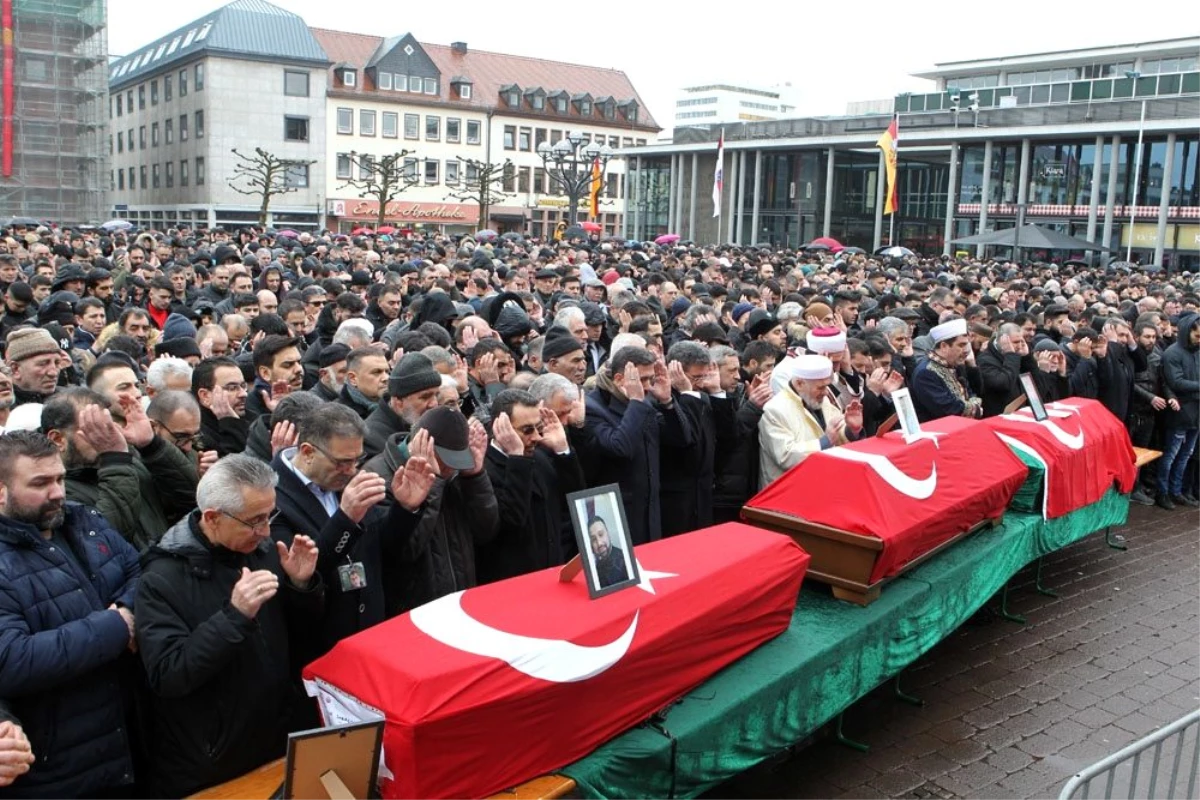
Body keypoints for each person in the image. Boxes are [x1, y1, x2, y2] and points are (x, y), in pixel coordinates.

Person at [135, 455, 322, 799]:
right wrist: (234, 616)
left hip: (277, 738)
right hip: (215, 763)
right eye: (254, 521)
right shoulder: (160, 579)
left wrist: (301, 585)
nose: (266, 531)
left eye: (269, 516)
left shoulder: (261, 550)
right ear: (213, 518)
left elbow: (297, 637)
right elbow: (169, 675)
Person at [0, 431, 141, 798]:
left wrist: (127, 607)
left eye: (60, 478)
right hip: (59, 769)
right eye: (40, 483)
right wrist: (116, 626)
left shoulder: (83, 520)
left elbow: (142, 573)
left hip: (127, 741)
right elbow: (12, 658)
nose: (58, 492)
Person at [269, 405, 436, 655]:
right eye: (343, 462)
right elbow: (303, 576)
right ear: (307, 452)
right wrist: (345, 519)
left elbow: (385, 550)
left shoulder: (345, 480)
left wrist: (405, 509)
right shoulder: (271, 496)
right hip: (322, 645)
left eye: (357, 460)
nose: (352, 470)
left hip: (371, 634)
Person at [363, 405, 498, 614]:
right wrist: (432, 486)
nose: (453, 469)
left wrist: (475, 477)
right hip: (415, 611)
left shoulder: (456, 472)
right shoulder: (379, 475)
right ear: (423, 445)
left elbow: (486, 531)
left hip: (462, 601)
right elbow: (406, 550)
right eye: (448, 460)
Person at [43, 388, 198, 551]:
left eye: (108, 425)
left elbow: (189, 498)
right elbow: (105, 539)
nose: (108, 434)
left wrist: (151, 445)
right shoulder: (56, 490)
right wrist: (115, 459)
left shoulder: (129, 461)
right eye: (94, 427)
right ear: (58, 439)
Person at [479, 389, 586, 582]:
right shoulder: (484, 468)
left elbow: (575, 498)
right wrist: (516, 457)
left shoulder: (540, 456)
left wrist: (563, 450)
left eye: (538, 428)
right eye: (527, 430)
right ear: (501, 428)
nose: (536, 437)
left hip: (552, 571)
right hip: (514, 582)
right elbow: (512, 522)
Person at [758, 354, 864, 487]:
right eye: (820, 387)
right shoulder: (774, 410)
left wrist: (852, 430)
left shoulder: (821, 400)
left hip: (821, 483)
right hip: (787, 492)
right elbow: (785, 456)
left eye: (827, 386)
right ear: (799, 383)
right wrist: (824, 442)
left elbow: (836, 432)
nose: (826, 393)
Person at [362, 352, 443, 459]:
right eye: (425, 397)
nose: (434, 404)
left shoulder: (432, 422)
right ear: (398, 401)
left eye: (436, 395)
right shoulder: (371, 438)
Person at [1157, 312, 1200, 511]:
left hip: (1196, 411)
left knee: (1186, 454)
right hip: (1180, 410)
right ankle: (1163, 492)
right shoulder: (1173, 353)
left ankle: (1177, 490)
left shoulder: (1197, 351)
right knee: (1171, 455)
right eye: (1197, 336)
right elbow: (1176, 382)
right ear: (1187, 331)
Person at [910, 318, 983, 422]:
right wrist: (975, 409)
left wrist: (973, 404)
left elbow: (970, 393)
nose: (966, 350)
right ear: (944, 346)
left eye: (967, 344)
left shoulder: (954, 364)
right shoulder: (926, 373)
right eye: (961, 345)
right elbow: (947, 408)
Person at [193, 356, 250, 456]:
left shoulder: (252, 418)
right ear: (205, 395)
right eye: (232, 388)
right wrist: (231, 425)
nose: (243, 394)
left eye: (243, 386)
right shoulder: (193, 434)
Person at [6, 328, 61, 408]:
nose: (53, 373)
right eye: (43, 364)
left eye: (57, 363)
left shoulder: (69, 402)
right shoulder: (5, 409)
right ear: (15, 369)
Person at [588, 515, 628, 588]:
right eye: (593, 539)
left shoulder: (626, 559)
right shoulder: (595, 569)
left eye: (601, 534)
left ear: (608, 533)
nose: (599, 543)